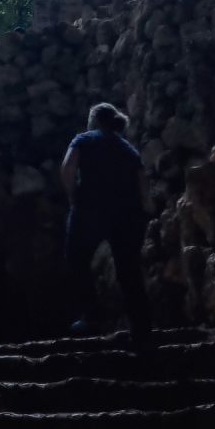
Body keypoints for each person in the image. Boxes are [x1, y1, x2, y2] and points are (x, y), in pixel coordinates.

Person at [60, 102, 153, 347]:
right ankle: (142, 331)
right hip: (127, 215)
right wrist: (144, 213)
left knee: (76, 259)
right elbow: (144, 186)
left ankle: (92, 315)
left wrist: (73, 197)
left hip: (90, 210)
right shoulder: (129, 149)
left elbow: (68, 167)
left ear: (93, 120)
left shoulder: (84, 138)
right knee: (129, 272)